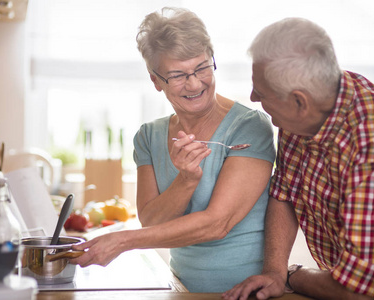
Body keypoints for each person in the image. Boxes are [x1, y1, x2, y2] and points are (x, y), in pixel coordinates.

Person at [71, 7, 276, 292]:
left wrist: (122, 241)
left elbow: (218, 224)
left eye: (202, 67)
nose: (194, 83)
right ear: (155, 80)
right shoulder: (148, 137)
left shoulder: (249, 126)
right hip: (180, 288)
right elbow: (152, 221)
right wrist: (186, 180)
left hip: (245, 291)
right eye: (178, 75)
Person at [222, 17, 374, 300]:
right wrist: (274, 271)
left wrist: (292, 275)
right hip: (342, 279)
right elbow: (284, 191)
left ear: (299, 101)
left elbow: (354, 292)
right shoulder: (309, 105)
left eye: (262, 92)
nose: (253, 96)